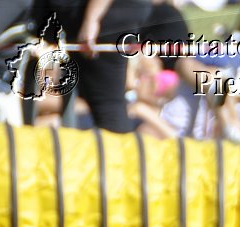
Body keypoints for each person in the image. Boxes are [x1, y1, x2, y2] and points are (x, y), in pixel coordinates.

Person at [26, 0, 151, 131]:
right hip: (81, 16)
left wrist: (92, 19)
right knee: (92, 101)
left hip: (101, 17)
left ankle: (116, 149)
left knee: (107, 105)